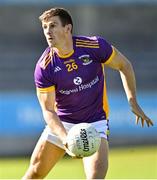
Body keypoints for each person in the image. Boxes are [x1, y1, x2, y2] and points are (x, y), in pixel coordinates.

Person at [22, 7, 153, 179]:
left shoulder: (94, 46)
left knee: (95, 177)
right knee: (34, 175)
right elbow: (48, 110)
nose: (47, 31)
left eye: (53, 26)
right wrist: (65, 138)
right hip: (63, 123)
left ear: (67, 28)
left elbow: (124, 65)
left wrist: (132, 101)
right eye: (45, 27)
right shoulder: (44, 67)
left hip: (95, 122)